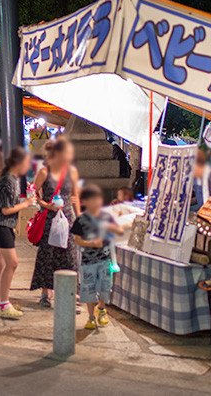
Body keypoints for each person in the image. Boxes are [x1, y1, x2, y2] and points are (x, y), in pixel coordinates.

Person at [0, 147, 35, 319]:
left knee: (1, 265)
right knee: (12, 263)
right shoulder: (9, 180)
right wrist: (26, 204)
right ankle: (3, 303)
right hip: (1, 224)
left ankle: (1, 301)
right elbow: (5, 210)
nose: (29, 166)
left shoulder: (9, 179)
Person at [30, 137, 81, 308]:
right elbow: (32, 193)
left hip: (67, 217)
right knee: (48, 255)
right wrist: (46, 205)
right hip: (50, 218)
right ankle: (45, 293)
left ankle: (71, 294)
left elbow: (75, 197)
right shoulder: (44, 172)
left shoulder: (72, 172)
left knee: (69, 256)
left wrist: (79, 218)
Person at [72, 184, 124, 328]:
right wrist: (92, 244)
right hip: (88, 261)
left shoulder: (106, 217)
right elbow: (77, 240)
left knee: (105, 287)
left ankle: (101, 308)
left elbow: (116, 231)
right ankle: (90, 317)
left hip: (105, 261)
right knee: (89, 289)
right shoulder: (80, 220)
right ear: (84, 202)